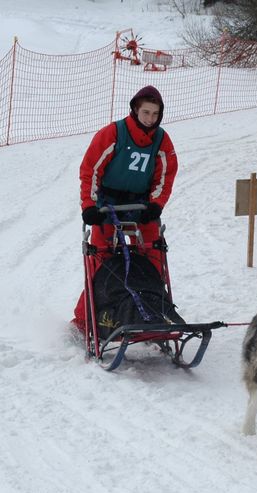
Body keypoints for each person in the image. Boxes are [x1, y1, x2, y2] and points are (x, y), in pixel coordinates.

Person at [72, 85, 178, 332]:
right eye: (145, 112)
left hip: (140, 206)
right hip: (107, 206)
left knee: (154, 257)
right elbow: (90, 170)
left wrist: (155, 204)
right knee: (101, 261)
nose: (150, 119)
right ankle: (85, 320)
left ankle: (154, 311)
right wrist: (89, 206)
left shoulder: (162, 140)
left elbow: (165, 176)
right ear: (134, 110)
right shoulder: (113, 133)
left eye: (155, 114)